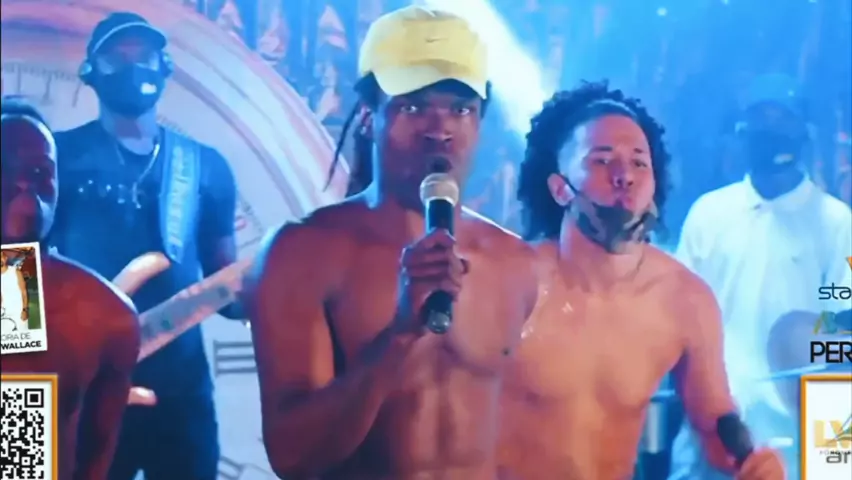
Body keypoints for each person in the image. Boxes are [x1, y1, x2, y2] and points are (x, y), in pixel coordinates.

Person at [244, 6, 539, 479]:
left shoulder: (516, 262)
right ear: (368, 115)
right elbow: (293, 456)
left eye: (460, 108)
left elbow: (523, 437)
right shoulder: (302, 252)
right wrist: (399, 334)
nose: (439, 129)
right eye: (413, 106)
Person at [498, 82, 786, 480]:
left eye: (638, 163)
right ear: (560, 188)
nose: (624, 176)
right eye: (602, 161)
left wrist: (751, 460)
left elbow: (714, 417)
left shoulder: (683, 300)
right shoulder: (513, 284)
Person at [47, 12, 241, 480]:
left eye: (145, 56)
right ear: (90, 72)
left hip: (181, 395)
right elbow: (15, 257)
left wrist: (280, 287)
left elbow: (229, 288)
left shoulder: (205, 166)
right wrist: (22, 367)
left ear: (165, 67)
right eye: (117, 58)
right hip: (84, 384)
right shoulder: (50, 156)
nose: (133, 68)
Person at [669, 73, 852, 480]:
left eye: (781, 120)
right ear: (741, 132)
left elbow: (841, 343)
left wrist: (835, 460)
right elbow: (676, 321)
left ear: (803, 132)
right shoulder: (709, 214)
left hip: (793, 447)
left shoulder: (837, 224)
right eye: (759, 121)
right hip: (707, 438)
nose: (770, 131)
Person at [0, 96, 140, 479]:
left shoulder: (108, 315)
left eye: (39, 170)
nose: (23, 182)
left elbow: (25, 461)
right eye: (4, 168)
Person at [0, 249, 29, 334]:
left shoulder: (15, 272)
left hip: (19, 312)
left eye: (1, 257)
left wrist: (25, 310)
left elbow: (24, 292)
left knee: (22, 337)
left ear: (5, 258)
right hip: (4, 313)